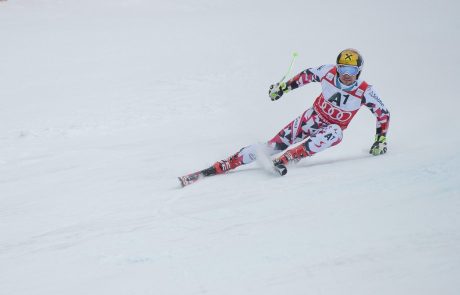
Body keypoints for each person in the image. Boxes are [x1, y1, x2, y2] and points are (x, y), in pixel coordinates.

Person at [179, 48, 390, 186]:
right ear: (337, 66)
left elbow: (383, 113)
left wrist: (380, 140)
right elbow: (306, 75)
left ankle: (290, 157)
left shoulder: (365, 91)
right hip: (311, 119)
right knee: (272, 146)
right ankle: (226, 163)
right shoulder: (327, 72)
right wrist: (282, 89)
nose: (346, 74)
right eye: (343, 68)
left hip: (330, 129)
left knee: (336, 133)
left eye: (352, 70)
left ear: (359, 71)